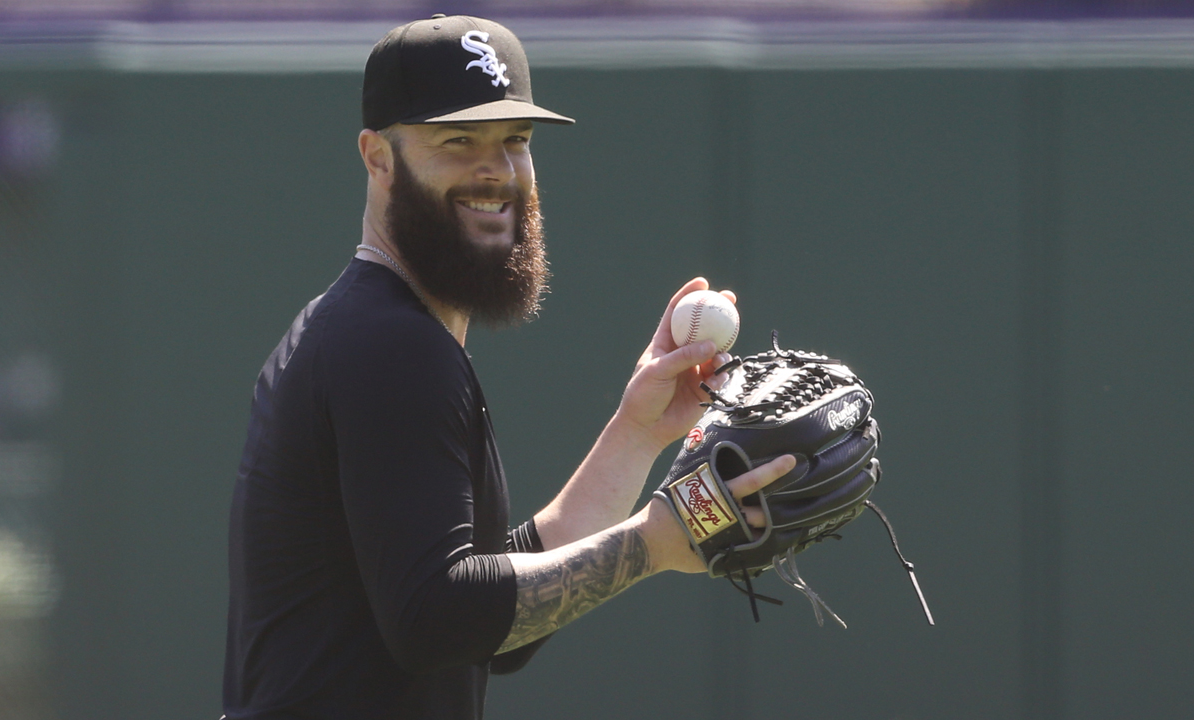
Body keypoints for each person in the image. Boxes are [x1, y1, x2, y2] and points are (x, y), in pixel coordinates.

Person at [222, 15, 795, 720]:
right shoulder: (392, 346)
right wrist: (652, 543)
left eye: (514, 141)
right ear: (377, 157)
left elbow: (491, 626)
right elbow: (441, 617)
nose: (496, 168)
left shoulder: (370, 330)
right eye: (458, 140)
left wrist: (638, 431)